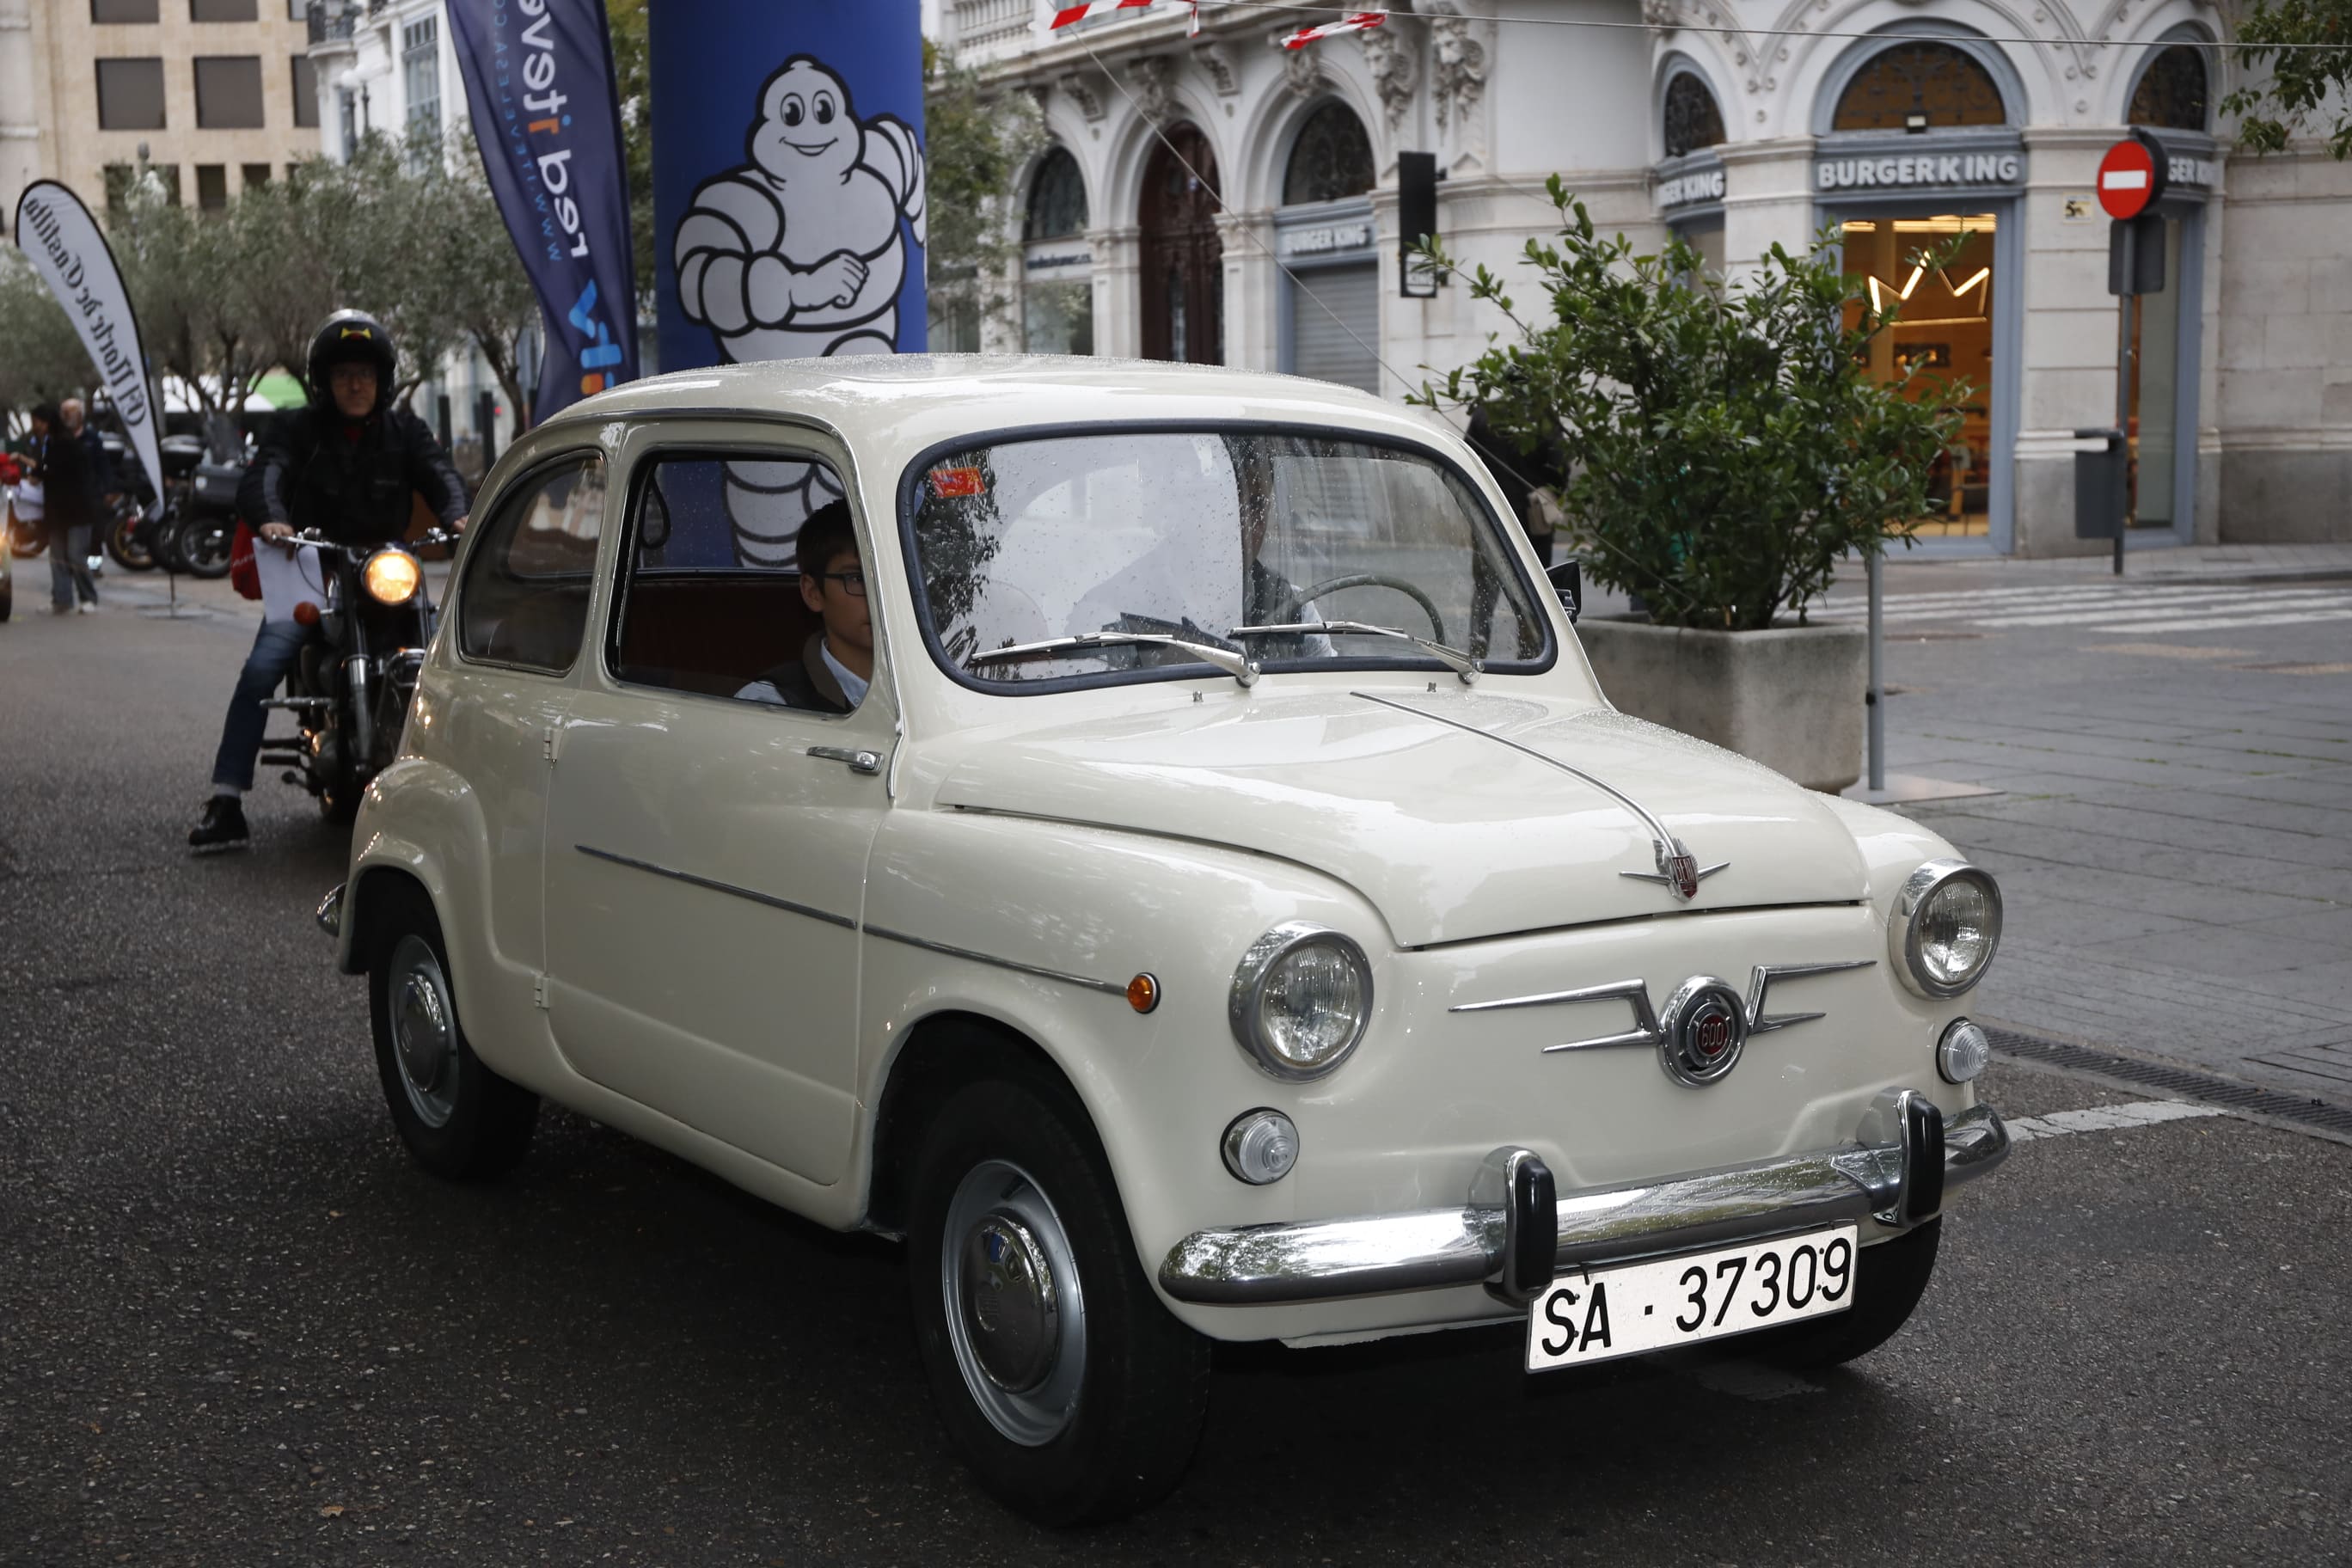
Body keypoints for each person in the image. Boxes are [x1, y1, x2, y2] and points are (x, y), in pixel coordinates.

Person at [188, 309, 469, 853]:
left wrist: (459, 514)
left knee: (446, 658)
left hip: (387, 571)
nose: (356, 383)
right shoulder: (296, 430)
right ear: (325, 381)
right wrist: (273, 517)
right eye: (344, 373)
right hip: (315, 571)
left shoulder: (404, 430)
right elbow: (265, 474)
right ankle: (226, 801)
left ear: (382, 379)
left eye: (365, 372)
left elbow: (440, 473)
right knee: (263, 668)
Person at [734, 499, 870, 714]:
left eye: (895, 575)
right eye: (857, 578)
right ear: (813, 593)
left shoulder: (937, 682)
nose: (879, 594)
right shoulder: (770, 704)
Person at [38, 399, 103, 614]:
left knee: (76, 555)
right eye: (65, 412)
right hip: (58, 511)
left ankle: (88, 597)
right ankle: (62, 599)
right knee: (57, 556)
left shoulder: (71, 443)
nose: (68, 416)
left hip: (77, 509)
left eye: (72, 411)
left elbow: (58, 472)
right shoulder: (51, 441)